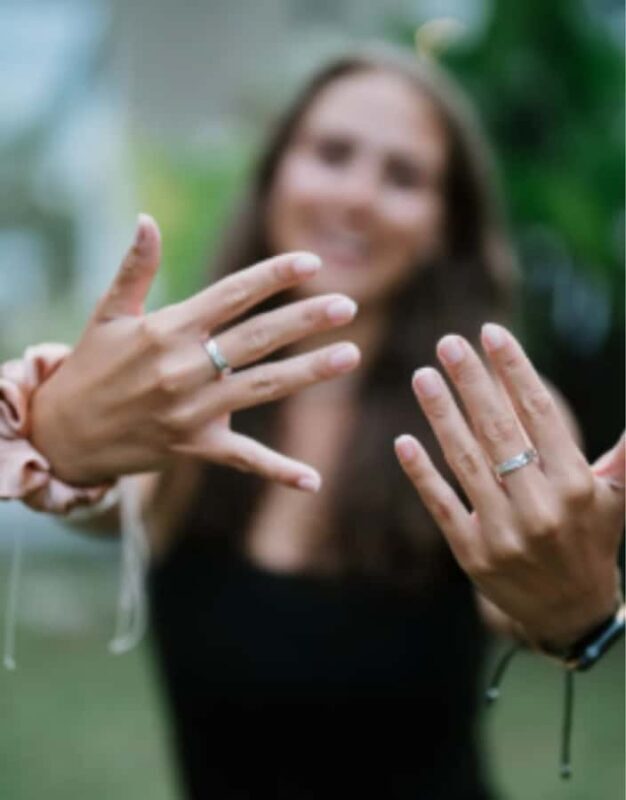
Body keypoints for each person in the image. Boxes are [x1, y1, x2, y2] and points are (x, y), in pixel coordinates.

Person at [2, 48, 624, 799]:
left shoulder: (492, 420)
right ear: (274, 178)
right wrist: (52, 438)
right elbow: (98, 498)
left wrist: (576, 613)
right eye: (332, 153)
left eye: (403, 176)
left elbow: (526, 604)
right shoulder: (180, 397)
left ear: (442, 225)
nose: (358, 196)